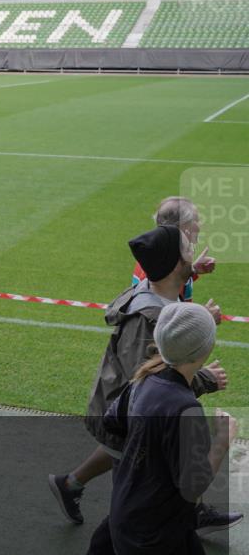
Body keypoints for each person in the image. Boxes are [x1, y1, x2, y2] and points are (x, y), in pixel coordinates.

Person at [49, 225, 227, 526]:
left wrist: (194, 289)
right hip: (128, 415)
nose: (193, 251)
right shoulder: (144, 319)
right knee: (139, 491)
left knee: (130, 465)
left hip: (128, 414)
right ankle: (129, 543)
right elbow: (146, 385)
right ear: (174, 265)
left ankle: (72, 485)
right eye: (187, 250)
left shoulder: (159, 290)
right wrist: (204, 374)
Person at [78, 303, 238, 555]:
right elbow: (194, 486)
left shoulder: (144, 380)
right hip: (154, 537)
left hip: (151, 519)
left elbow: (112, 422)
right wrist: (222, 440)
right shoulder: (185, 407)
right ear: (206, 349)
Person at [131, 197, 215, 301]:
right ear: (185, 226)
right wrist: (203, 312)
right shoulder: (161, 262)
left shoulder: (165, 258)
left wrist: (193, 270)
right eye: (197, 220)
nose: (200, 225)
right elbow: (154, 307)